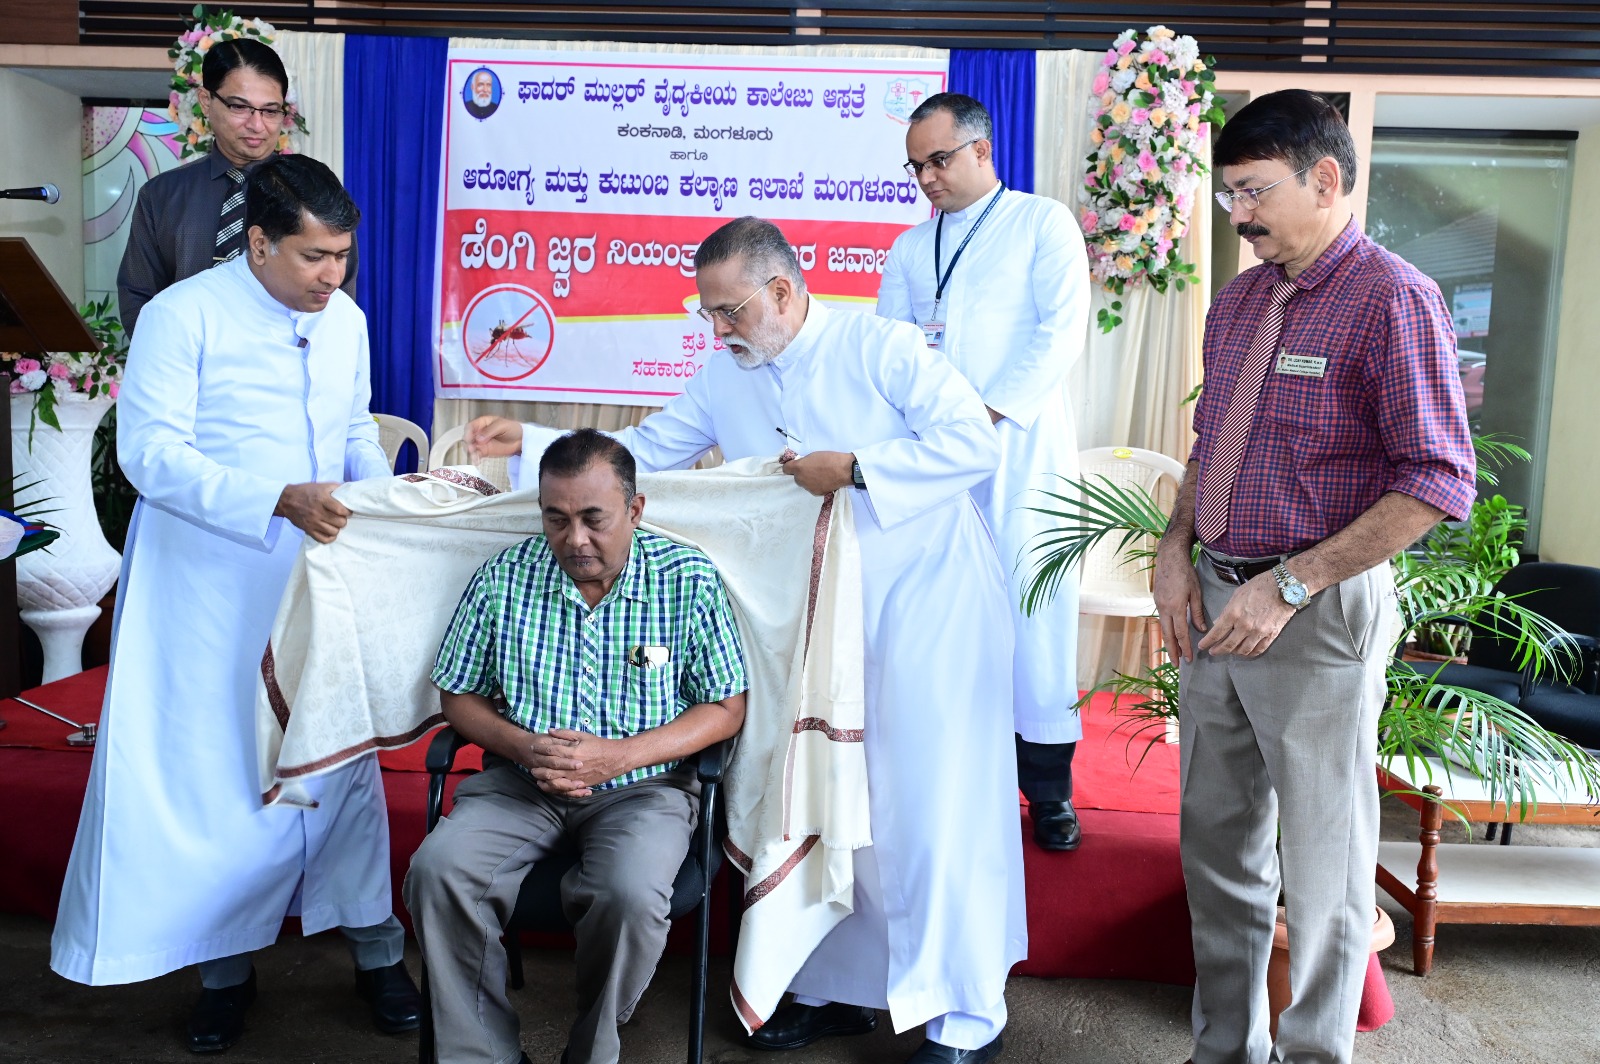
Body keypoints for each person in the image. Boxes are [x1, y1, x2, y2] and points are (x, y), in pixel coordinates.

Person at [465, 217, 1023, 1064]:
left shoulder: (881, 346)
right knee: (835, 792)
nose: (718, 329)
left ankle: (964, 1015)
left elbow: (973, 443)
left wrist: (858, 468)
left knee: (930, 807)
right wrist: (533, 444)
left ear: (783, 291)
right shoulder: (726, 373)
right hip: (818, 617)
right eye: (709, 313)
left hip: (927, 605)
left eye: (730, 312)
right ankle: (840, 989)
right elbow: (645, 454)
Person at [52, 154, 420, 1053]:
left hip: (319, 578)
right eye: (313, 257)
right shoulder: (183, 315)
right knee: (217, 771)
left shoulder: (346, 322)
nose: (333, 276)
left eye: (343, 256)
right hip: (208, 588)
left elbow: (352, 431)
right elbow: (148, 454)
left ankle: (377, 952)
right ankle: (222, 971)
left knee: (335, 757)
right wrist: (274, 498)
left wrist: (386, 500)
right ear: (257, 243)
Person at [1152, 89, 1475, 1064]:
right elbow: (1212, 442)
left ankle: (1314, 1055)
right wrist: (1174, 548)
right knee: (1217, 850)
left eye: (1254, 191)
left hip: (1316, 612)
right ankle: (1224, 1048)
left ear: (1325, 179)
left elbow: (1436, 480)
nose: (1238, 215)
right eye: (1229, 195)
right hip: (1215, 602)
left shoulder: (1392, 298)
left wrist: (1289, 584)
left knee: (1325, 867)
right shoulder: (1241, 299)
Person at [405, 429, 749, 1064]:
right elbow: (458, 695)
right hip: (521, 783)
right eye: (556, 519)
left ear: (635, 509)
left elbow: (727, 706)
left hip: (643, 789)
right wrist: (525, 747)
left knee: (628, 894)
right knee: (440, 872)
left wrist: (620, 756)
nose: (575, 540)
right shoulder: (504, 577)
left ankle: (591, 1052)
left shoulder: (687, 580)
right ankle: (482, 1055)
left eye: (595, 519)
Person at [877, 92, 1091, 852]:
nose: (926, 178)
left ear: (981, 151)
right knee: (944, 617)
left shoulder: (1042, 223)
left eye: (938, 160)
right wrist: (926, 435)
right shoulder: (909, 248)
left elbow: (1060, 334)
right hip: (937, 461)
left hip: (1022, 452)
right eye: (915, 167)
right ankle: (957, 782)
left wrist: (983, 417)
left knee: (1035, 615)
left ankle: (1050, 792)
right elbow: (892, 350)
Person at [117, 36, 357, 335]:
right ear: (206, 101)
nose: (257, 125)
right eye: (239, 107)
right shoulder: (161, 196)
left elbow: (337, 300)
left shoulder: (314, 195)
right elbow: (139, 298)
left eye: (270, 111)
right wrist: (171, 355)